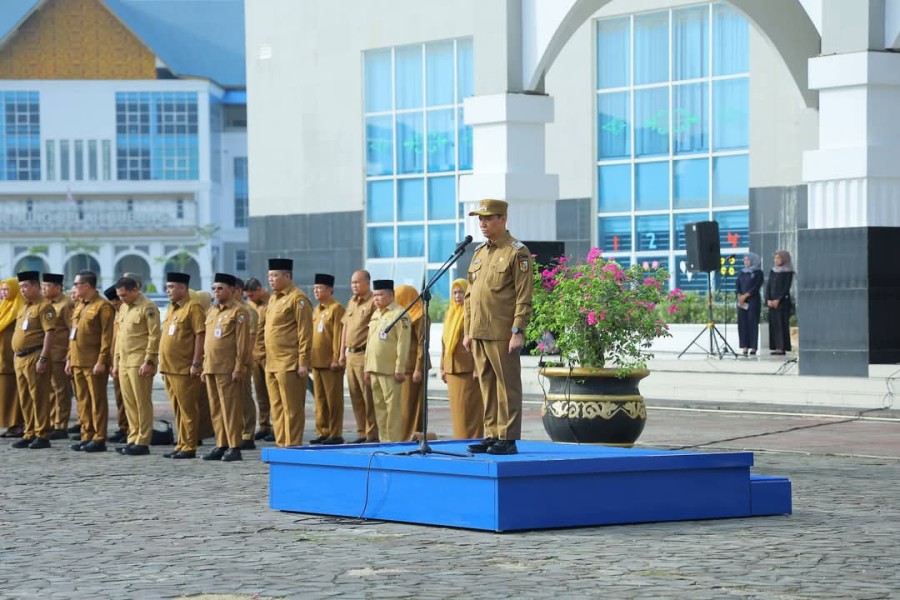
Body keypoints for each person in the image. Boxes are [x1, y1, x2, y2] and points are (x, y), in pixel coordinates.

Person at [463, 199, 533, 456]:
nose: (483, 223)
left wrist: (518, 330)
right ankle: (492, 433)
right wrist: (468, 331)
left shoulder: (517, 252)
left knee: (507, 386)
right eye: (480, 219)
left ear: (503, 219)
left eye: (489, 218)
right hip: (480, 331)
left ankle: (508, 437)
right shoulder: (479, 252)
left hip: (503, 333)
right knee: (487, 386)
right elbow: (470, 296)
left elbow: (523, 295)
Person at [201, 273, 250, 462]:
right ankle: (221, 444)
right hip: (212, 367)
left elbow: (242, 343)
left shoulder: (239, 312)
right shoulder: (212, 311)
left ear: (232, 290)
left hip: (228, 368)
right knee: (216, 409)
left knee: (230, 409)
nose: (216, 292)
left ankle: (234, 446)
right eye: (214, 289)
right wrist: (205, 366)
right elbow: (208, 341)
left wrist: (239, 367)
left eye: (220, 288)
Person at [264, 258, 312, 447]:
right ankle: (282, 443)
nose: (271, 279)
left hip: (289, 362)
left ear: (287, 276)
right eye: (269, 276)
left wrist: (303, 362)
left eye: (275, 275)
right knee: (277, 408)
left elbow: (305, 332)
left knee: (292, 408)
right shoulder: (274, 298)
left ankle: (292, 445)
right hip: (272, 362)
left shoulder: (297, 299)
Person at [67, 270, 115, 453]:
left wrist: (102, 360)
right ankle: (86, 434)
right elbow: (73, 335)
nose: (74, 288)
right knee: (83, 401)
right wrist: (69, 358)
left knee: (97, 401)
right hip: (77, 361)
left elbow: (107, 337)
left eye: (77, 284)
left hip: (93, 362)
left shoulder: (103, 306)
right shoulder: (80, 305)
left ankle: (99, 437)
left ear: (87, 286)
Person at [112, 276, 161, 456]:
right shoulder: (124, 308)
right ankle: (132, 437)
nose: (122, 298)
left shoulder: (147, 307)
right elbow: (119, 337)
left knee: (142, 402)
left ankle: (143, 440)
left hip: (139, 361)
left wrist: (149, 361)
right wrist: (116, 362)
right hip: (124, 361)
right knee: (129, 403)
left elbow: (154, 336)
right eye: (119, 295)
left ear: (135, 290)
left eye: (124, 295)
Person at [159, 272, 206, 459]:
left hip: (184, 367)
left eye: (171, 287)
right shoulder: (172, 308)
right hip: (169, 367)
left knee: (188, 409)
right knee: (177, 409)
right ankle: (181, 442)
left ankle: (189, 445)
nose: (168, 290)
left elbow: (200, 335)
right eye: (167, 287)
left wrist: (196, 362)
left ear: (182, 288)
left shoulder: (193, 308)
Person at [10, 271, 58, 449]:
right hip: (20, 358)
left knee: (38, 396)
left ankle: (42, 433)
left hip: (35, 356)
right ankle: (29, 432)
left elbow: (49, 334)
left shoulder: (44, 307)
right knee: (25, 398)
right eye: (21, 286)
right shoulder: (24, 307)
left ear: (36, 287)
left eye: (26, 286)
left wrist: (43, 358)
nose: (22, 290)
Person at [364, 279, 411, 442]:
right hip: (375, 369)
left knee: (393, 410)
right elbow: (369, 343)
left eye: (380, 294)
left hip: (390, 371)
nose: (376, 298)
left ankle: (394, 442)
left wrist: (400, 368)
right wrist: (367, 368)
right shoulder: (376, 314)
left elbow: (403, 344)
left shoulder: (400, 314)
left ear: (391, 295)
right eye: (374, 295)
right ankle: (384, 442)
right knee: (380, 409)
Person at [441, 278, 483, 439]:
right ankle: (460, 441)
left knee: (470, 410)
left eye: (461, 292)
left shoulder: (470, 314)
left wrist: (477, 368)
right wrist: (442, 367)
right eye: (455, 292)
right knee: (458, 413)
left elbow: (477, 344)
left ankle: (472, 440)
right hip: (452, 370)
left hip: (468, 370)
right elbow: (444, 343)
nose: (457, 296)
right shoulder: (450, 314)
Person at [339, 270, 378, 443]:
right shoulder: (351, 302)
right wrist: (342, 353)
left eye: (357, 282)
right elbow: (345, 328)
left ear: (367, 283)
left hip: (364, 354)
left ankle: (372, 433)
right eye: (352, 282)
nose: (354, 285)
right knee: (355, 396)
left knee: (367, 396)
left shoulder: (372, 302)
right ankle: (361, 431)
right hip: (351, 355)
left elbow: (373, 331)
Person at [310, 273, 346, 445]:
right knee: (320, 400)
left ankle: (335, 432)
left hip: (330, 363)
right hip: (316, 362)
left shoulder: (336, 308)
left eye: (320, 288)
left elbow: (339, 335)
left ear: (330, 290)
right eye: (315, 288)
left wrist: (336, 357)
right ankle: (322, 431)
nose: (316, 291)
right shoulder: (316, 310)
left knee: (334, 400)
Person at [394, 284, 430, 441]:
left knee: (412, 406)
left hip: (415, 368)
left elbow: (423, 343)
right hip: (404, 367)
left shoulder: (420, 315)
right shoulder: (404, 315)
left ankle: (413, 436)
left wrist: (418, 369)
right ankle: (404, 436)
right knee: (404, 407)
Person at [41, 273, 74, 439]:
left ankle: (61, 425)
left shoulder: (66, 304)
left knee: (61, 390)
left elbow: (71, 329)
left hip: (60, 353)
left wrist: (69, 353)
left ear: (58, 287)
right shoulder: (46, 304)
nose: (43, 288)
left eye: (46, 285)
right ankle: (53, 422)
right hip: (48, 353)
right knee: (51, 390)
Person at [244, 277, 272, 440]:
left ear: (260, 289)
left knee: (274, 395)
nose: (250, 298)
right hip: (254, 355)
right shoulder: (249, 307)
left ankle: (278, 427)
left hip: (269, 355)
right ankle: (264, 425)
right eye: (247, 296)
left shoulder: (271, 303)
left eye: (252, 295)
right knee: (261, 393)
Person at [234, 278, 258, 451]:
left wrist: (243, 360)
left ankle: (248, 433)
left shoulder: (248, 311)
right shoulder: (226, 310)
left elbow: (250, 338)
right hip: (226, 360)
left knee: (244, 396)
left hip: (242, 360)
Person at [104, 285, 129, 444]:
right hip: (115, 362)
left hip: (127, 362)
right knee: (120, 398)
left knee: (128, 398)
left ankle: (130, 429)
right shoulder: (117, 314)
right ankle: (123, 427)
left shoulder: (128, 312)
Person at [0, 278, 25, 438]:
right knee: (4, 393)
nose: (3, 293)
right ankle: (8, 424)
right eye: (2, 290)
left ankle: (17, 425)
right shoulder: (3, 307)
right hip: (2, 357)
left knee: (15, 392)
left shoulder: (19, 308)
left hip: (12, 356)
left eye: (6, 289)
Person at [766, 250, 795, 356]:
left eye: (778, 258)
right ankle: (776, 346)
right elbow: (768, 285)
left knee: (781, 324)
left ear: (784, 259)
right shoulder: (773, 271)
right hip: (772, 302)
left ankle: (782, 347)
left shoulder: (788, 271)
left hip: (782, 303)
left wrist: (778, 299)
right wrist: (768, 299)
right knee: (774, 324)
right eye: (775, 258)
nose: (776, 260)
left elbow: (786, 287)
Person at [736, 253, 764, 356]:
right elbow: (738, 284)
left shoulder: (758, 272)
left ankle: (753, 347)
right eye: (744, 260)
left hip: (753, 300)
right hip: (742, 302)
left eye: (748, 260)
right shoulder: (742, 272)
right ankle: (744, 346)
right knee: (742, 323)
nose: (746, 262)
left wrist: (746, 296)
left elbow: (756, 286)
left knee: (752, 323)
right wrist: (740, 296)